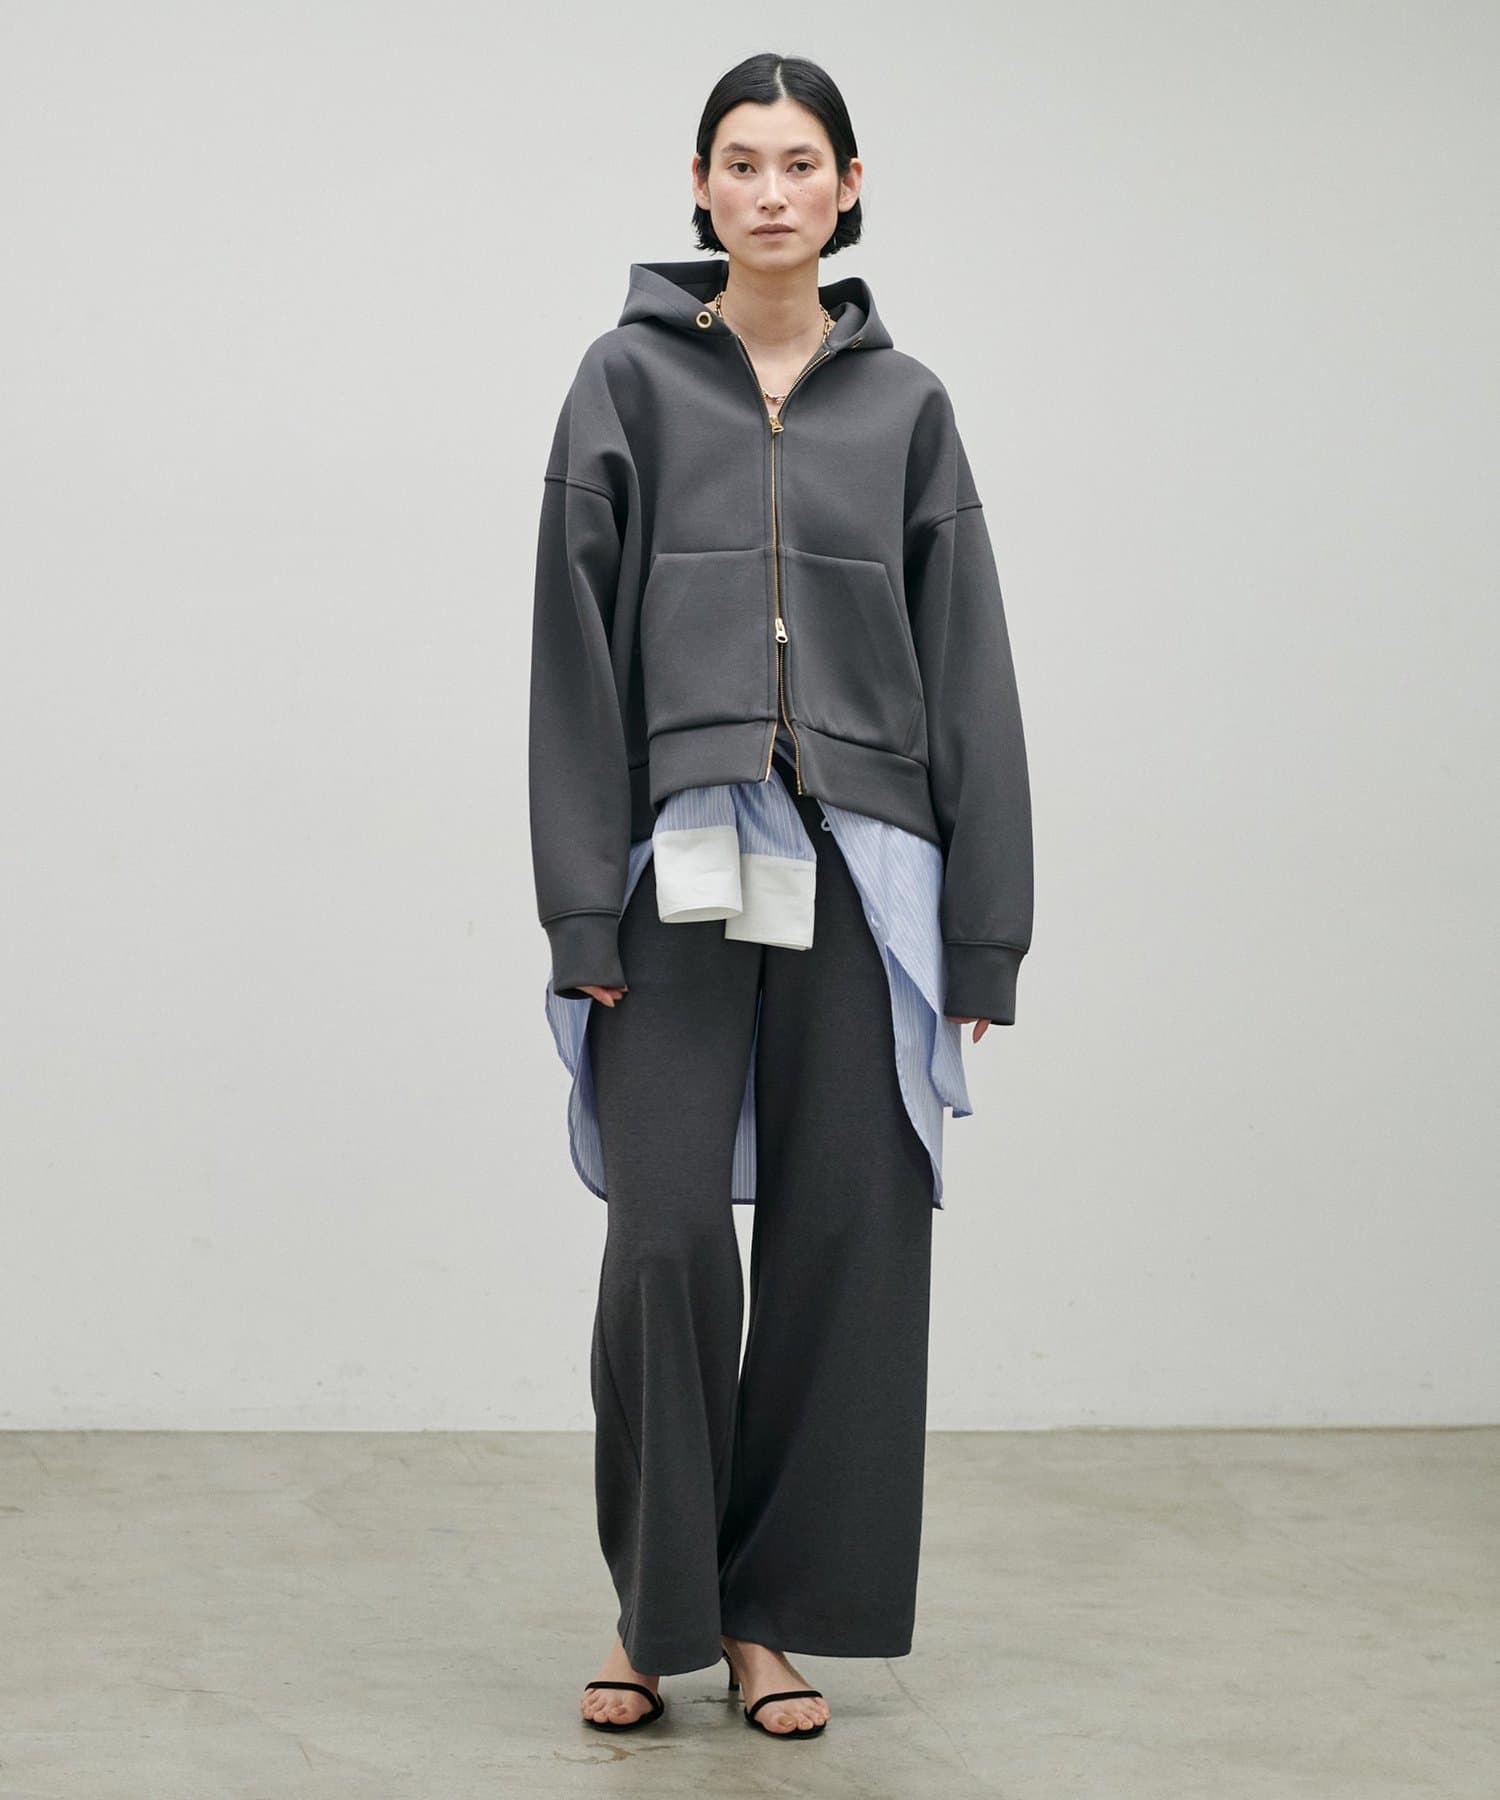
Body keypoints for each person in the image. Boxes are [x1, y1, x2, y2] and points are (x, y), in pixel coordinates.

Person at [527, 51, 1034, 1739]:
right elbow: (569, 660)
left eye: (799, 161)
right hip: (672, 866)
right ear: (699, 185)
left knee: (845, 1244)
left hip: (867, 871)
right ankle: (653, 1609)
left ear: (848, 186)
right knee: (665, 1241)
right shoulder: (623, 382)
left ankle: (767, 1621)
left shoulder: (909, 408)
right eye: (739, 162)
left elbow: (971, 663)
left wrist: (984, 930)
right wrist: (576, 909)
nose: (768, 189)